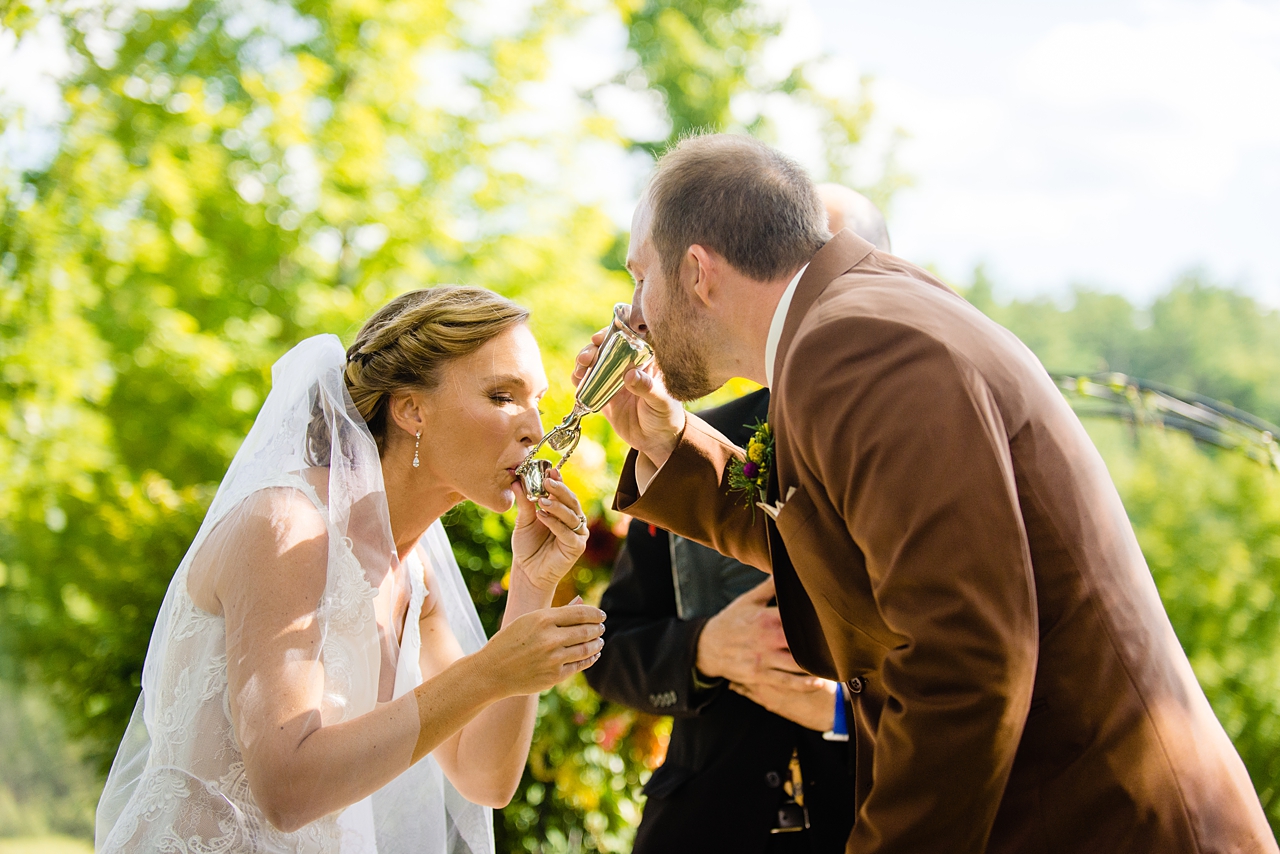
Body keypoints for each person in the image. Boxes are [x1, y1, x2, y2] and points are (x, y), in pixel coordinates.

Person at [577, 134, 1277, 852]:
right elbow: (837, 553)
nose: (634, 314)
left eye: (640, 279)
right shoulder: (852, 321)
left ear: (698, 271)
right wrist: (669, 442)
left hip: (1096, 822)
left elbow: (963, 665)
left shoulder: (860, 347)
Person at [96, 286, 607, 854]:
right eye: (501, 396)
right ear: (411, 408)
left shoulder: (418, 574)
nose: (535, 428)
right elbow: (287, 790)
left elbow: (484, 777)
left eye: (536, 400)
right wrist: (489, 670)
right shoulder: (287, 525)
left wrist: (531, 586)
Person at [585, 188, 891, 853]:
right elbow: (612, 649)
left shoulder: (908, 437)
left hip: (862, 820)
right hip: (703, 825)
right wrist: (703, 650)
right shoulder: (689, 440)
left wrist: (843, 710)